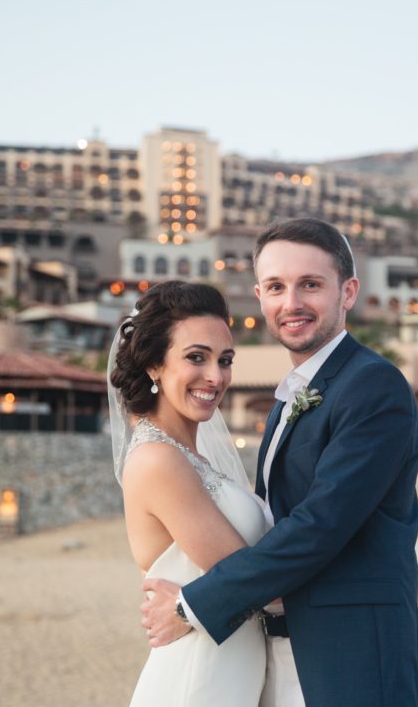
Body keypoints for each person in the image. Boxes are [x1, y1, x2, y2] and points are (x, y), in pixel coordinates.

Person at [142, 218, 418, 706]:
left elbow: (321, 526)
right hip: (280, 656)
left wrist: (193, 606)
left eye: (310, 285)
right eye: (276, 287)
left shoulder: (373, 386)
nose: (291, 303)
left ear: (348, 292)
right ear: (260, 296)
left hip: (352, 655)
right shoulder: (288, 401)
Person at [108, 281, 269, 705]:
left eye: (225, 360)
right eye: (196, 357)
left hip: (229, 674)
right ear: (155, 365)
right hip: (196, 682)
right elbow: (247, 577)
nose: (215, 377)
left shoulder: (193, 459)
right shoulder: (157, 460)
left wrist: (187, 607)